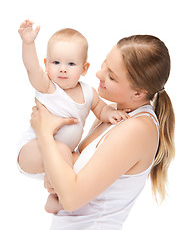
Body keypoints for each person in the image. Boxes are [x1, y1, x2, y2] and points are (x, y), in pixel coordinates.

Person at [27, 34, 175, 230]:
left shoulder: (137, 129)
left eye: (111, 76)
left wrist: (44, 133)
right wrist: (57, 175)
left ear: (138, 93)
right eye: (105, 64)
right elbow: (75, 180)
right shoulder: (113, 113)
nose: (98, 73)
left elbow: (71, 199)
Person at [17, 20, 129, 213]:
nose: (62, 68)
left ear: (84, 69)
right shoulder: (48, 87)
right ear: (47, 64)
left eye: (71, 63)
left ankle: (59, 186)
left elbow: (101, 110)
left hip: (63, 155)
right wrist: (28, 43)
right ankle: (54, 194)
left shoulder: (88, 92)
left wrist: (112, 113)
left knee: (82, 161)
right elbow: (32, 69)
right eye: (56, 62)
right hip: (32, 150)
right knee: (60, 149)